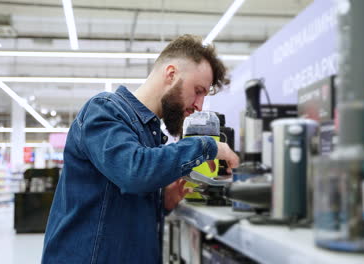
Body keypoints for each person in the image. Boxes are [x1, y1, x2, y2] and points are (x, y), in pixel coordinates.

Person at [41, 34, 239, 264]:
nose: (199, 105)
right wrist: (208, 146)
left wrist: (161, 202)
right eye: (198, 90)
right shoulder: (105, 110)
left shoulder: (151, 137)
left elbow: (122, 201)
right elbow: (134, 172)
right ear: (171, 74)